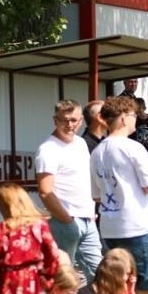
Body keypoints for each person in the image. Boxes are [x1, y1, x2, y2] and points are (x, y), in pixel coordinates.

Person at [90, 96, 148, 294]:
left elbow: (96, 194)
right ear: (124, 118)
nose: (136, 120)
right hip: (138, 224)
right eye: (134, 116)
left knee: (121, 280)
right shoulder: (133, 148)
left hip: (109, 225)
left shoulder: (97, 152)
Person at [37, 99, 101, 282]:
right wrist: (66, 219)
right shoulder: (47, 149)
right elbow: (45, 191)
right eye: (64, 120)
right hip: (65, 222)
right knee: (62, 277)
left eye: (74, 120)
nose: (69, 125)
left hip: (88, 219)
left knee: (99, 274)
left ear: (81, 120)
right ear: (55, 120)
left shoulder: (81, 143)